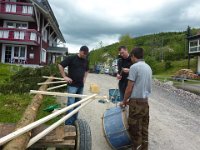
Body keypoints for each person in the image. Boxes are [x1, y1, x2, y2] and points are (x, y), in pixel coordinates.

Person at [120, 47, 152, 150]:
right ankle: (144, 148)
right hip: (145, 102)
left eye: (131, 57)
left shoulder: (134, 67)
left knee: (135, 130)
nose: (131, 58)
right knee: (144, 129)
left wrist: (124, 101)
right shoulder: (148, 67)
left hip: (136, 103)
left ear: (133, 56)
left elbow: (129, 87)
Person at [58, 46, 89, 125]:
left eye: (86, 55)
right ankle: (68, 123)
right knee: (71, 105)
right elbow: (60, 65)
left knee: (77, 104)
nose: (84, 56)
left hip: (80, 86)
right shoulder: (71, 58)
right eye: (83, 54)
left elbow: (87, 70)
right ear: (80, 51)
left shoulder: (86, 60)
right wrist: (64, 76)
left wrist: (85, 78)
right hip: (72, 85)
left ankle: (74, 122)